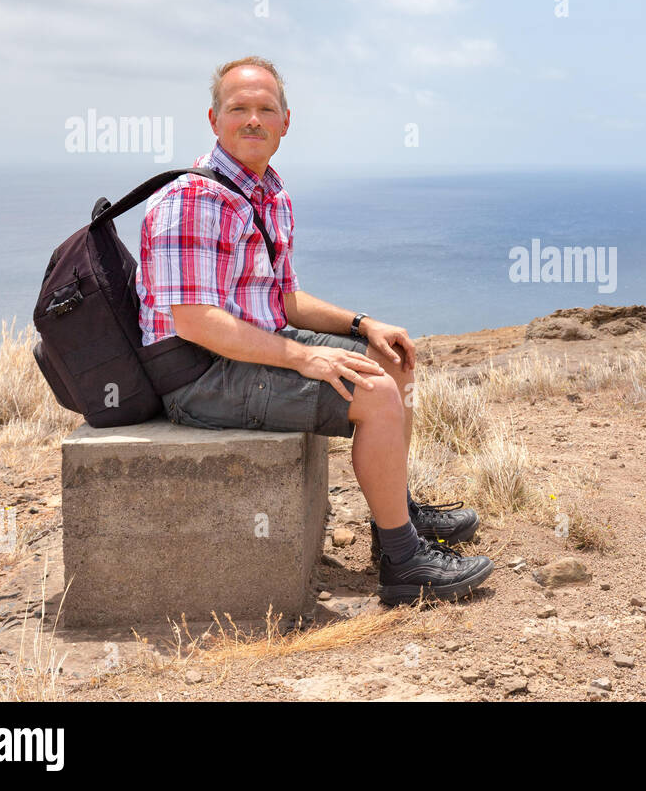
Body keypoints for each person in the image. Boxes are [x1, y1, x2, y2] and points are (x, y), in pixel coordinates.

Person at [135, 55, 491, 606]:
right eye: (239, 109)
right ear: (213, 119)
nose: (253, 120)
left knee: (392, 362)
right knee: (372, 394)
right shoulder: (192, 201)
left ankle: (394, 518)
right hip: (199, 375)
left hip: (246, 353)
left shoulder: (266, 190)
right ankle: (405, 566)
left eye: (265, 109)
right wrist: (305, 360)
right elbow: (196, 322)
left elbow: (284, 300)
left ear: (285, 120)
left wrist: (363, 324)